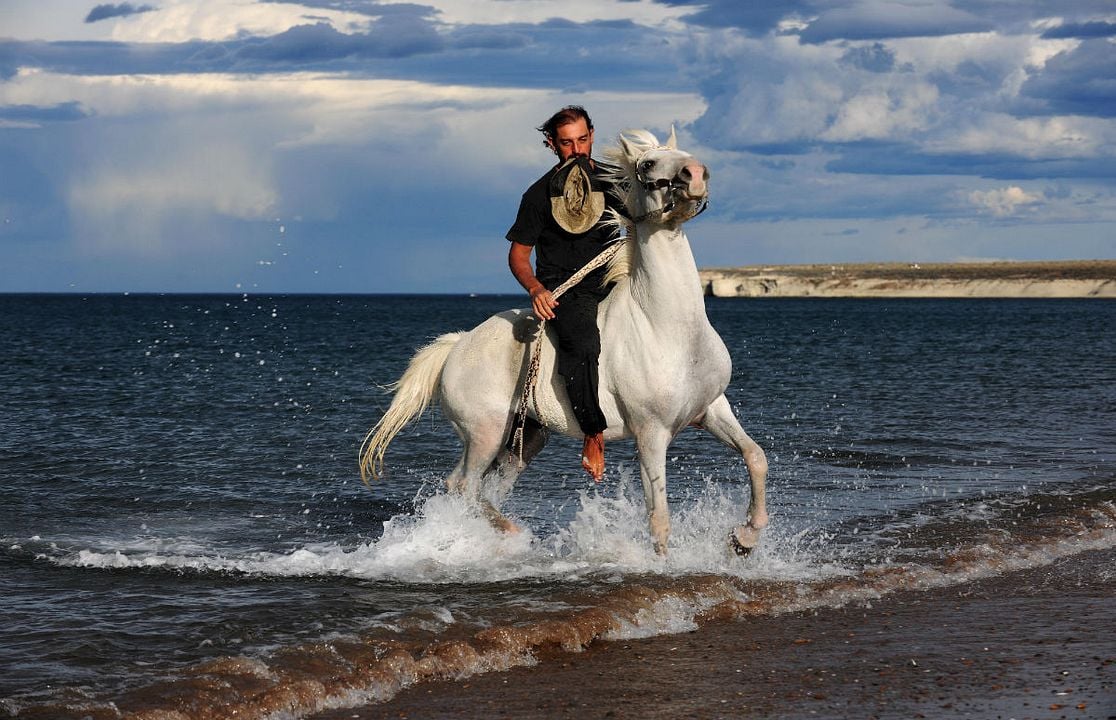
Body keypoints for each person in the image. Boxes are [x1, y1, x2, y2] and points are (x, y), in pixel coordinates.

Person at [506, 105, 620, 482]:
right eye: (567, 143)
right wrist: (536, 289)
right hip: (565, 288)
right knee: (583, 342)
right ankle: (593, 432)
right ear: (551, 144)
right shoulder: (538, 196)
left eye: (583, 140)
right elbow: (518, 255)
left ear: (592, 136)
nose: (577, 150)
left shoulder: (613, 181)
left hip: (612, 276)